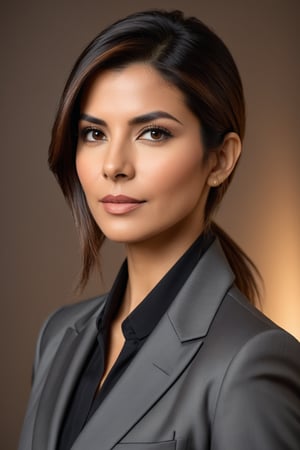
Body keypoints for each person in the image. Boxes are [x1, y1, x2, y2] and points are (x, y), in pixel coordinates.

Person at [18, 9, 300, 450]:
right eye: (94, 134)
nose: (113, 166)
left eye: (152, 133)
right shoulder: (57, 336)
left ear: (220, 159)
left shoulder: (250, 362)